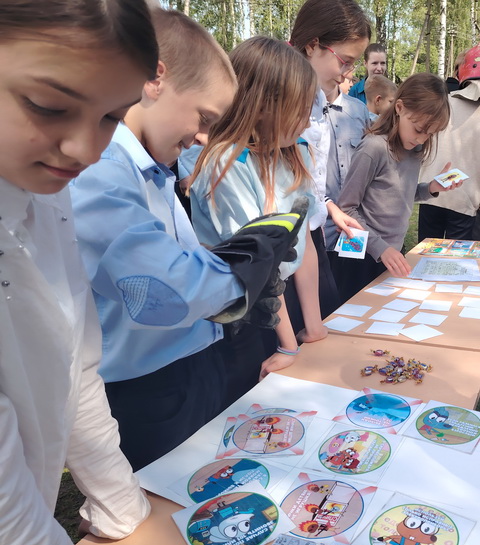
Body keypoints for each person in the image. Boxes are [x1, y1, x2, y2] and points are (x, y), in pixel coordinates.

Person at [70, 10, 301, 470]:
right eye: (204, 116)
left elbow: (168, 261)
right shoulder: (104, 169)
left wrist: (222, 268)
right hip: (150, 386)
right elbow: (161, 292)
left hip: (192, 366)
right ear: (157, 77)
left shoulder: (151, 166)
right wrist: (240, 274)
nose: (202, 135)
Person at [0, 0, 157, 545]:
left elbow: (74, 360)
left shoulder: (42, 188)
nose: (84, 151)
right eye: (48, 106)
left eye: (113, 117)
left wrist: (121, 506)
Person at [191, 36, 322, 378]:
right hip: (245, 315)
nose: (307, 122)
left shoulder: (296, 151)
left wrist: (314, 326)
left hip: (285, 304)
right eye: (300, 110)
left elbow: (303, 244)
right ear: (264, 105)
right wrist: (288, 346)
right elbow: (258, 265)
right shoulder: (226, 163)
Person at [334, 73, 458, 301]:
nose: (422, 139)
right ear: (399, 108)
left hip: (392, 253)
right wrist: (380, 248)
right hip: (361, 257)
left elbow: (399, 195)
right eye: (419, 129)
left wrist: (431, 187)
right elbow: (346, 210)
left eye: (430, 134)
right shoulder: (373, 149)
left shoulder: (415, 149)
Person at [290, 0, 371, 320]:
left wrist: (329, 207)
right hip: (287, 248)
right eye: (345, 61)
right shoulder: (286, 103)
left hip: (313, 235)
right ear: (313, 46)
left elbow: (309, 180)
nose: (348, 74)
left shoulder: (319, 100)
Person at [417, 40, 480, 242]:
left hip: (430, 193)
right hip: (465, 197)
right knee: (455, 263)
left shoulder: (442, 103)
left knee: (424, 257)